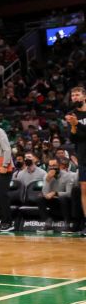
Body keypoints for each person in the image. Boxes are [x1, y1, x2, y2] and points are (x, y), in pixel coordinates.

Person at [65, 87, 86, 237]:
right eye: (73, 95)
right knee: (84, 189)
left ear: (84, 96)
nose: (75, 97)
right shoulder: (72, 114)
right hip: (83, 155)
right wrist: (73, 124)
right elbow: (73, 139)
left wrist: (77, 124)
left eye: (77, 94)